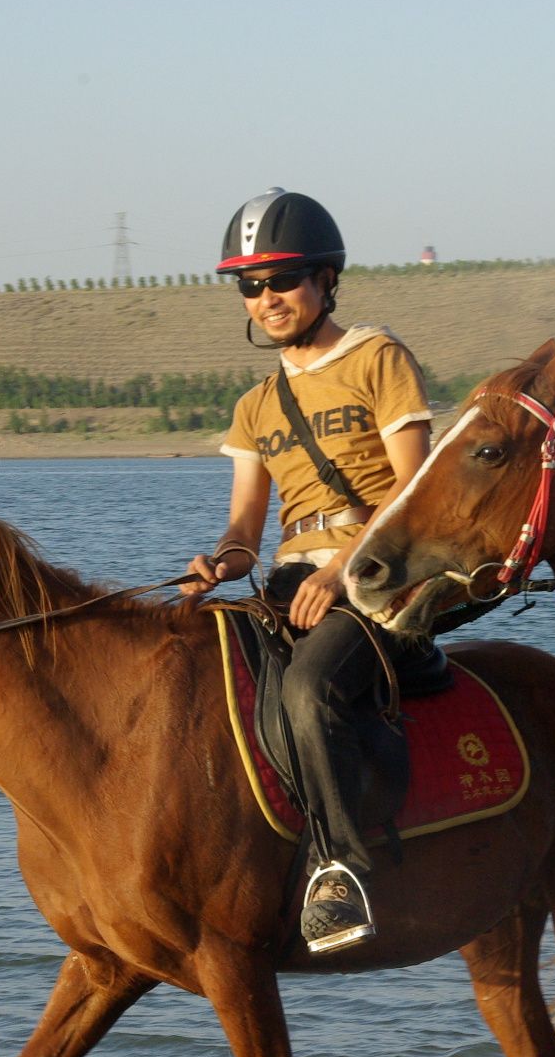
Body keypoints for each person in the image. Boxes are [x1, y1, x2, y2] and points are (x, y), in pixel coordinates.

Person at [182, 188, 433, 954]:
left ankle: (342, 870)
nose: (267, 300)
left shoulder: (377, 359)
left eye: (283, 280)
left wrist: (343, 571)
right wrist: (217, 564)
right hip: (291, 580)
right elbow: (246, 531)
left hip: (382, 576)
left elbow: (417, 493)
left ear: (326, 280)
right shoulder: (256, 405)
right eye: (250, 287)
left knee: (306, 686)